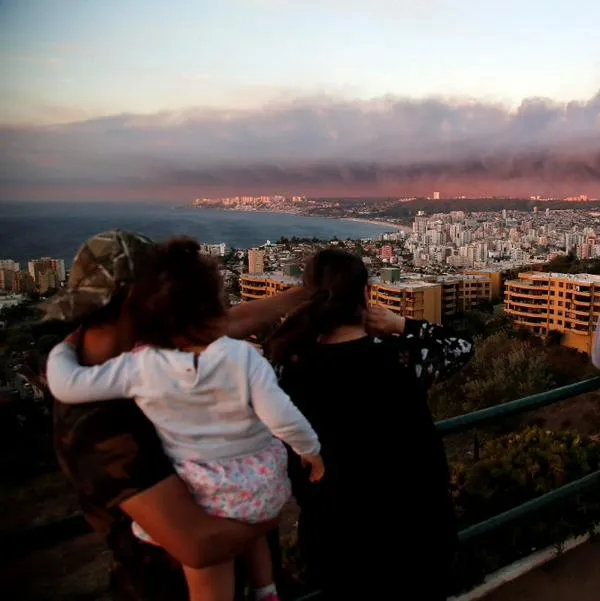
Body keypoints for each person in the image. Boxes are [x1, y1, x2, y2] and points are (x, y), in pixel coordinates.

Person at [46, 237, 324, 601]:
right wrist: (268, 514)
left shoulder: (153, 354)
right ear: (140, 303)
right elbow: (199, 547)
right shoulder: (96, 417)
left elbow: (218, 330)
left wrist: (302, 295)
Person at [267, 248, 474, 600]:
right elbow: (461, 346)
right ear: (366, 294)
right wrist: (402, 325)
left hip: (338, 538)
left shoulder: (289, 368)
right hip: (416, 532)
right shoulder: (401, 358)